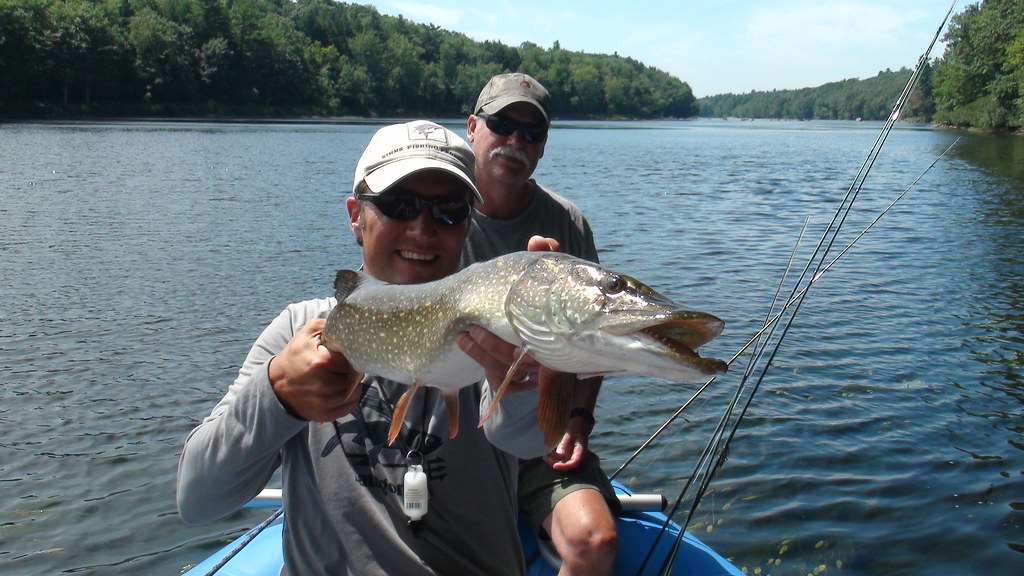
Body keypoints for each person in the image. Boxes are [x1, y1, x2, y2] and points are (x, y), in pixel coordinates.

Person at [177, 120, 548, 576]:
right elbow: (197, 498)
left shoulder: (494, 330)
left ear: (466, 225)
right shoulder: (297, 331)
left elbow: (528, 441)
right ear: (356, 214)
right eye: (399, 205)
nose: (422, 228)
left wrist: (522, 376)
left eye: (448, 209)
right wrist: (276, 396)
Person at [457, 73, 619, 576]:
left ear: (543, 147)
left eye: (531, 134)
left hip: (538, 433)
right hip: (449, 430)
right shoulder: (438, 211)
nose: (515, 142)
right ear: (472, 127)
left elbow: (594, 342)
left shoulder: (566, 223)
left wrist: (577, 422)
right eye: (503, 124)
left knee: (596, 541)